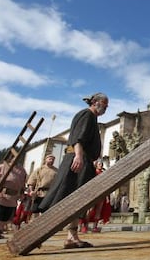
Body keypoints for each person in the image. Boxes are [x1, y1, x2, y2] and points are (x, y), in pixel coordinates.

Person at [38, 92, 109, 249]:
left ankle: (72, 237)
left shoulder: (93, 118)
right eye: (105, 104)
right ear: (95, 102)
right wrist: (78, 156)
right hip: (77, 160)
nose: (106, 108)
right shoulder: (86, 115)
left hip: (85, 162)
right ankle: (36, 231)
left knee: (78, 200)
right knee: (61, 195)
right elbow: (78, 137)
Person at [0, 161, 27, 239]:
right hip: (2, 194)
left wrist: (22, 194)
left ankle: (0, 230)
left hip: (13, 196)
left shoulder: (22, 170)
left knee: (7, 214)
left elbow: (22, 183)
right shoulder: (2, 167)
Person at [79, 160, 112, 233]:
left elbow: (105, 184)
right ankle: (85, 226)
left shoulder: (104, 173)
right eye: (99, 164)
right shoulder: (93, 173)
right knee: (90, 210)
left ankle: (95, 227)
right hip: (93, 193)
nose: (101, 165)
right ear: (96, 165)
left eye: (101, 164)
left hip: (101, 193)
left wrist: (106, 195)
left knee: (98, 211)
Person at [26, 154, 58, 219]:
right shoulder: (39, 169)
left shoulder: (56, 171)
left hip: (49, 194)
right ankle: (34, 225)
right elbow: (32, 181)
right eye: (50, 159)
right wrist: (31, 190)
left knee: (46, 211)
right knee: (35, 211)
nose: (51, 160)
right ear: (46, 160)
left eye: (53, 160)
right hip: (39, 193)